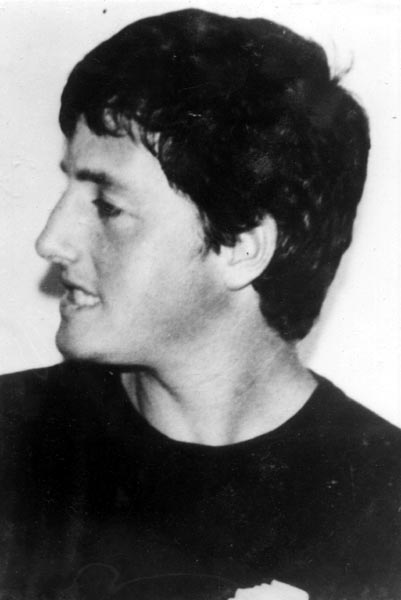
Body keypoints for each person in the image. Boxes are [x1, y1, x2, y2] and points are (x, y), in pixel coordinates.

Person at [0, 8, 399, 600]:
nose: (50, 240)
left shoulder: (384, 505)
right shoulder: (11, 441)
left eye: (108, 206)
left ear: (241, 247)